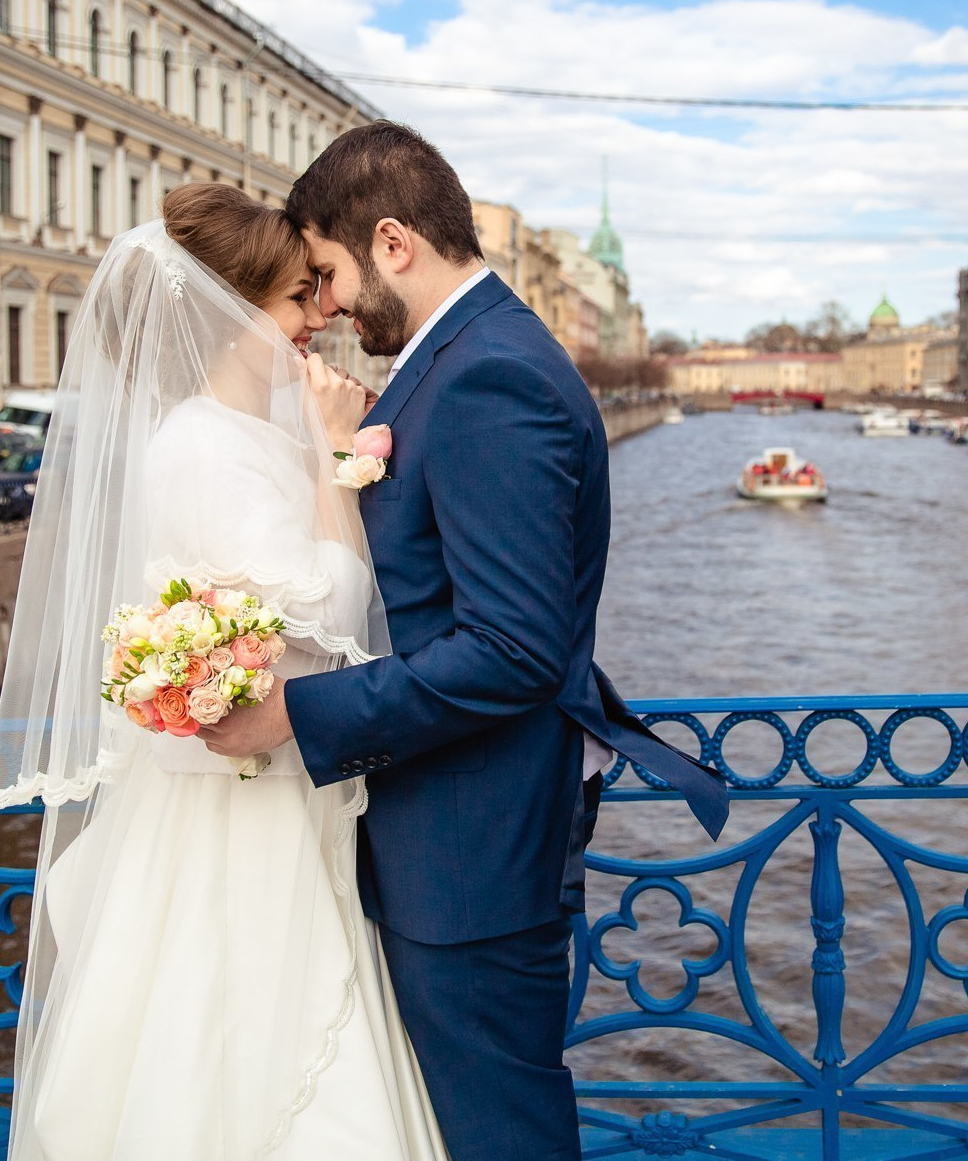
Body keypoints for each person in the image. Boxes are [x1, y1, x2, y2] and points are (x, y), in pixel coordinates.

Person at [195, 122, 728, 1160]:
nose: (332, 306)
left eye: (332, 273)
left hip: (469, 857)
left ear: (393, 241)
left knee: (498, 1136)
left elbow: (510, 648)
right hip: (446, 839)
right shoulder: (463, 358)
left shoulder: (488, 376)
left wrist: (293, 714)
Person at [0, 184, 447, 1159]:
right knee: (241, 1042)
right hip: (246, 800)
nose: (315, 318)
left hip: (280, 778)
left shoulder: (238, 434)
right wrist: (330, 459)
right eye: (290, 301)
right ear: (227, 314)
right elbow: (326, 603)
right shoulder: (199, 446)